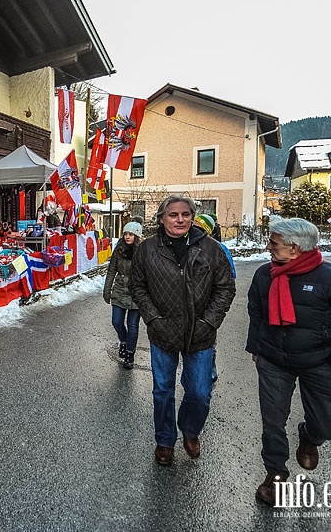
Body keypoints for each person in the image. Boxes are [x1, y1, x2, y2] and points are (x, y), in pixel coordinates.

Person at [247, 218, 331, 505]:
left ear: (294, 249)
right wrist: (256, 346)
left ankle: (310, 436)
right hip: (273, 361)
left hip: (320, 362)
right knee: (273, 422)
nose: (268, 247)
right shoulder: (263, 275)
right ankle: (275, 473)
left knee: (327, 425)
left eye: (274, 243)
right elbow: (256, 311)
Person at [129, 195, 236, 466]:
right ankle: (165, 440)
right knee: (162, 391)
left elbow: (225, 288)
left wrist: (209, 322)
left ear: (192, 217)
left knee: (199, 391)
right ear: (162, 218)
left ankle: (190, 430)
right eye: (174, 215)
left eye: (185, 214)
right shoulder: (148, 249)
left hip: (200, 333)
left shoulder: (212, 249)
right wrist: (153, 319)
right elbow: (137, 287)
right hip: (162, 331)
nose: (180, 220)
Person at [193, 213, 235, 385]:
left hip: (207, 305)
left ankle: (209, 367)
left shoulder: (219, 249)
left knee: (207, 338)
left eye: (199, 228)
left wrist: (214, 310)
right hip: (184, 305)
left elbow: (230, 277)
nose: (194, 230)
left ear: (207, 231)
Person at [103, 221, 143, 369]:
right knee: (117, 321)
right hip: (120, 291)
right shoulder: (119, 249)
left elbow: (150, 274)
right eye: (125, 234)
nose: (127, 237)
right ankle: (124, 341)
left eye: (131, 234)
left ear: (137, 236)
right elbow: (111, 270)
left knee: (133, 326)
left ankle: (130, 353)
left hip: (136, 293)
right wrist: (107, 290)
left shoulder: (143, 252)